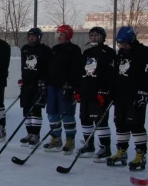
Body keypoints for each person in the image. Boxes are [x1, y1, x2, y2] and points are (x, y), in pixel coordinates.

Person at [107, 26, 148, 171]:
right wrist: (112, 91)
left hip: (135, 95)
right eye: (120, 44)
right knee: (120, 123)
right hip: (121, 95)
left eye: (125, 43)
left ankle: (141, 154)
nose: (123, 46)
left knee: (136, 124)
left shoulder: (143, 53)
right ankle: (121, 152)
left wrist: (143, 92)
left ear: (132, 40)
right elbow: (116, 74)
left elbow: (146, 75)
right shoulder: (121, 54)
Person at [74, 27, 116, 162]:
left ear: (103, 37)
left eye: (97, 35)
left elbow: (110, 75)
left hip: (99, 93)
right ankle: (89, 145)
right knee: (85, 119)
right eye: (91, 35)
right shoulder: (86, 52)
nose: (93, 38)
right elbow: (82, 72)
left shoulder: (108, 52)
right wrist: (78, 90)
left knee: (100, 121)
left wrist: (103, 91)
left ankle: (105, 148)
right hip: (86, 91)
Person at [43, 24, 83, 154]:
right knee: (52, 113)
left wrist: (71, 84)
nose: (59, 37)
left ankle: (70, 139)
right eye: (58, 34)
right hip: (52, 87)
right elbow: (49, 68)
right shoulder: (54, 49)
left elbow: (77, 69)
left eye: (62, 34)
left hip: (66, 87)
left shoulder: (74, 50)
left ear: (68, 35)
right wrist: (46, 82)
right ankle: (56, 138)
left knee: (66, 113)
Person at [18, 28, 51, 148]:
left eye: (34, 36)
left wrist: (45, 81)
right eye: (30, 36)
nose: (31, 38)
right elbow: (23, 66)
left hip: (38, 84)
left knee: (36, 108)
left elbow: (48, 68)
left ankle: (36, 134)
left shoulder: (45, 50)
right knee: (26, 108)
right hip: (26, 84)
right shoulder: (25, 49)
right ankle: (29, 133)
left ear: (39, 37)